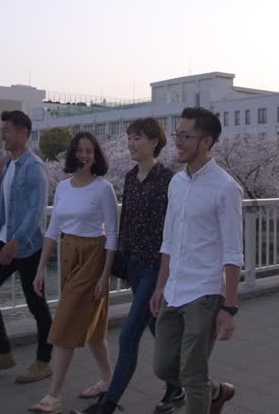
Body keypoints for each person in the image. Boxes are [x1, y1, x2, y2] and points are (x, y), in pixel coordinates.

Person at [74, 118, 184, 414]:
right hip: (134, 266)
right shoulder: (131, 177)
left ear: (154, 142)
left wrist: (163, 277)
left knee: (128, 336)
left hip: (154, 268)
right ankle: (178, 385)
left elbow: (173, 229)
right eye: (129, 137)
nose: (131, 143)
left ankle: (108, 405)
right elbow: (127, 224)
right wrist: (122, 265)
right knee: (156, 327)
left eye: (137, 138)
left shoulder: (169, 180)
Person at [149, 107, 243, 414]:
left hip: (205, 292)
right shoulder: (176, 183)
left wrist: (229, 308)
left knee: (191, 373)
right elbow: (169, 240)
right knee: (163, 367)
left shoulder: (226, 188)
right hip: (174, 289)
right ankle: (214, 391)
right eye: (178, 134)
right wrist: (160, 286)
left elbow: (233, 252)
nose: (178, 142)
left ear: (206, 141)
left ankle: (202, 393)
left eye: (186, 136)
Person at [30, 132, 119, 414]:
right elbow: (53, 230)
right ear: (72, 154)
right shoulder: (63, 187)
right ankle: (109, 379)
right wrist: (40, 268)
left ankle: (54, 395)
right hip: (69, 253)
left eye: (89, 151)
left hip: (93, 255)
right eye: (79, 150)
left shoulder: (103, 189)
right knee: (95, 329)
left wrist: (105, 275)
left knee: (65, 322)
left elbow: (113, 234)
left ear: (96, 156)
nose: (84, 155)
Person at [0, 110, 54, 383]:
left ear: (23, 132)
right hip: (5, 241)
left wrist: (16, 239)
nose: (3, 135)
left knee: (36, 305)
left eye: (7, 130)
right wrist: (3, 238)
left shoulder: (34, 166)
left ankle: (44, 361)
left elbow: (36, 210)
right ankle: (3, 353)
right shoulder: (9, 165)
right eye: (3, 130)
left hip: (28, 245)